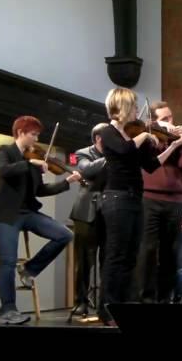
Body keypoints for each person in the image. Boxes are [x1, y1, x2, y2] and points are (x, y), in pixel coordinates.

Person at [98, 88, 182, 325]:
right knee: (116, 255)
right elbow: (123, 150)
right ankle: (107, 308)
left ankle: (123, 306)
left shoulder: (134, 134)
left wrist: (173, 144)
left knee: (130, 256)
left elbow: (150, 165)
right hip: (116, 198)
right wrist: (145, 136)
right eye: (135, 106)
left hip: (133, 199)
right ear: (124, 107)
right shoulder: (108, 132)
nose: (138, 111)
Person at [0, 115, 81, 324]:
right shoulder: (6, 151)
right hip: (5, 214)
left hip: (27, 212)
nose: (36, 139)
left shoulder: (34, 160)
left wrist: (67, 181)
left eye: (37, 135)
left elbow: (41, 190)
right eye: (33, 134)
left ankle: (29, 269)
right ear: (20, 132)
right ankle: (8, 309)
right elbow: (4, 170)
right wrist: (30, 163)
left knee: (65, 234)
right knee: (8, 260)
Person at [134, 101, 182, 304]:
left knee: (171, 252)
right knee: (148, 250)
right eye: (164, 119)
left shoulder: (180, 139)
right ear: (152, 121)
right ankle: (146, 299)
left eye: (170, 118)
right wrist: (163, 137)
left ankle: (165, 299)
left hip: (175, 200)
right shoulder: (146, 138)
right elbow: (149, 159)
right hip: (149, 198)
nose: (171, 122)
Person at [69, 122, 109, 316]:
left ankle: (106, 304)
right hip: (87, 212)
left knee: (108, 260)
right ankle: (80, 301)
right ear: (99, 139)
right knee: (84, 260)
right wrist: (112, 156)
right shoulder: (82, 152)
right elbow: (87, 170)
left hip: (109, 211)